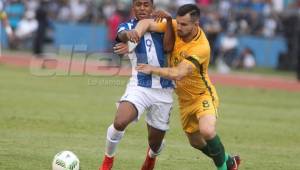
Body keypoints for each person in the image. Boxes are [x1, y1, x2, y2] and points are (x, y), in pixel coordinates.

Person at [132, 4, 241, 170]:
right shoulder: (176, 26)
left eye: (184, 25)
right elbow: (147, 23)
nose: (179, 27)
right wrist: (136, 33)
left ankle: (223, 168)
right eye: (178, 22)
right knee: (195, 142)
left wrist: (152, 69)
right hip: (184, 101)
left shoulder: (201, 47)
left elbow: (178, 73)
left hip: (202, 95)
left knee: (207, 131)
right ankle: (228, 160)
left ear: (195, 25)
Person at [99, 0, 175, 170]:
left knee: (155, 143)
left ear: (152, 7)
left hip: (164, 89)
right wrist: (129, 35)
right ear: (133, 7)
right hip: (139, 85)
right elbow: (122, 35)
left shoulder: (162, 25)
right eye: (138, 4)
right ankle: (108, 160)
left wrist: (169, 21)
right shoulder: (128, 25)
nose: (142, 8)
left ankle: (151, 157)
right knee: (120, 122)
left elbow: (169, 47)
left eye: (146, 5)